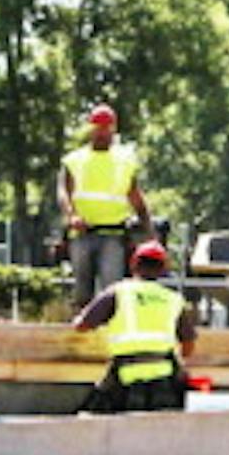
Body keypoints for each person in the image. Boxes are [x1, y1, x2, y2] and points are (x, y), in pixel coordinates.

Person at [72, 240, 197, 413]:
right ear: (163, 269)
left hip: (125, 376)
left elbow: (82, 325)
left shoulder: (118, 292)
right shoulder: (173, 299)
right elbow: (188, 345)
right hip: (163, 378)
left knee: (96, 415)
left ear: (133, 264)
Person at [58, 103, 152, 309]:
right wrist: (71, 216)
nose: (102, 132)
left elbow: (136, 197)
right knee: (82, 292)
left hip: (113, 234)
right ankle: (82, 335)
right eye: (98, 127)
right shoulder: (75, 160)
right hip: (82, 234)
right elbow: (64, 193)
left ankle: (110, 335)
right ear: (91, 129)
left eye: (106, 127)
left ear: (114, 129)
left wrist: (149, 231)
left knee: (112, 292)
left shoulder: (125, 161)